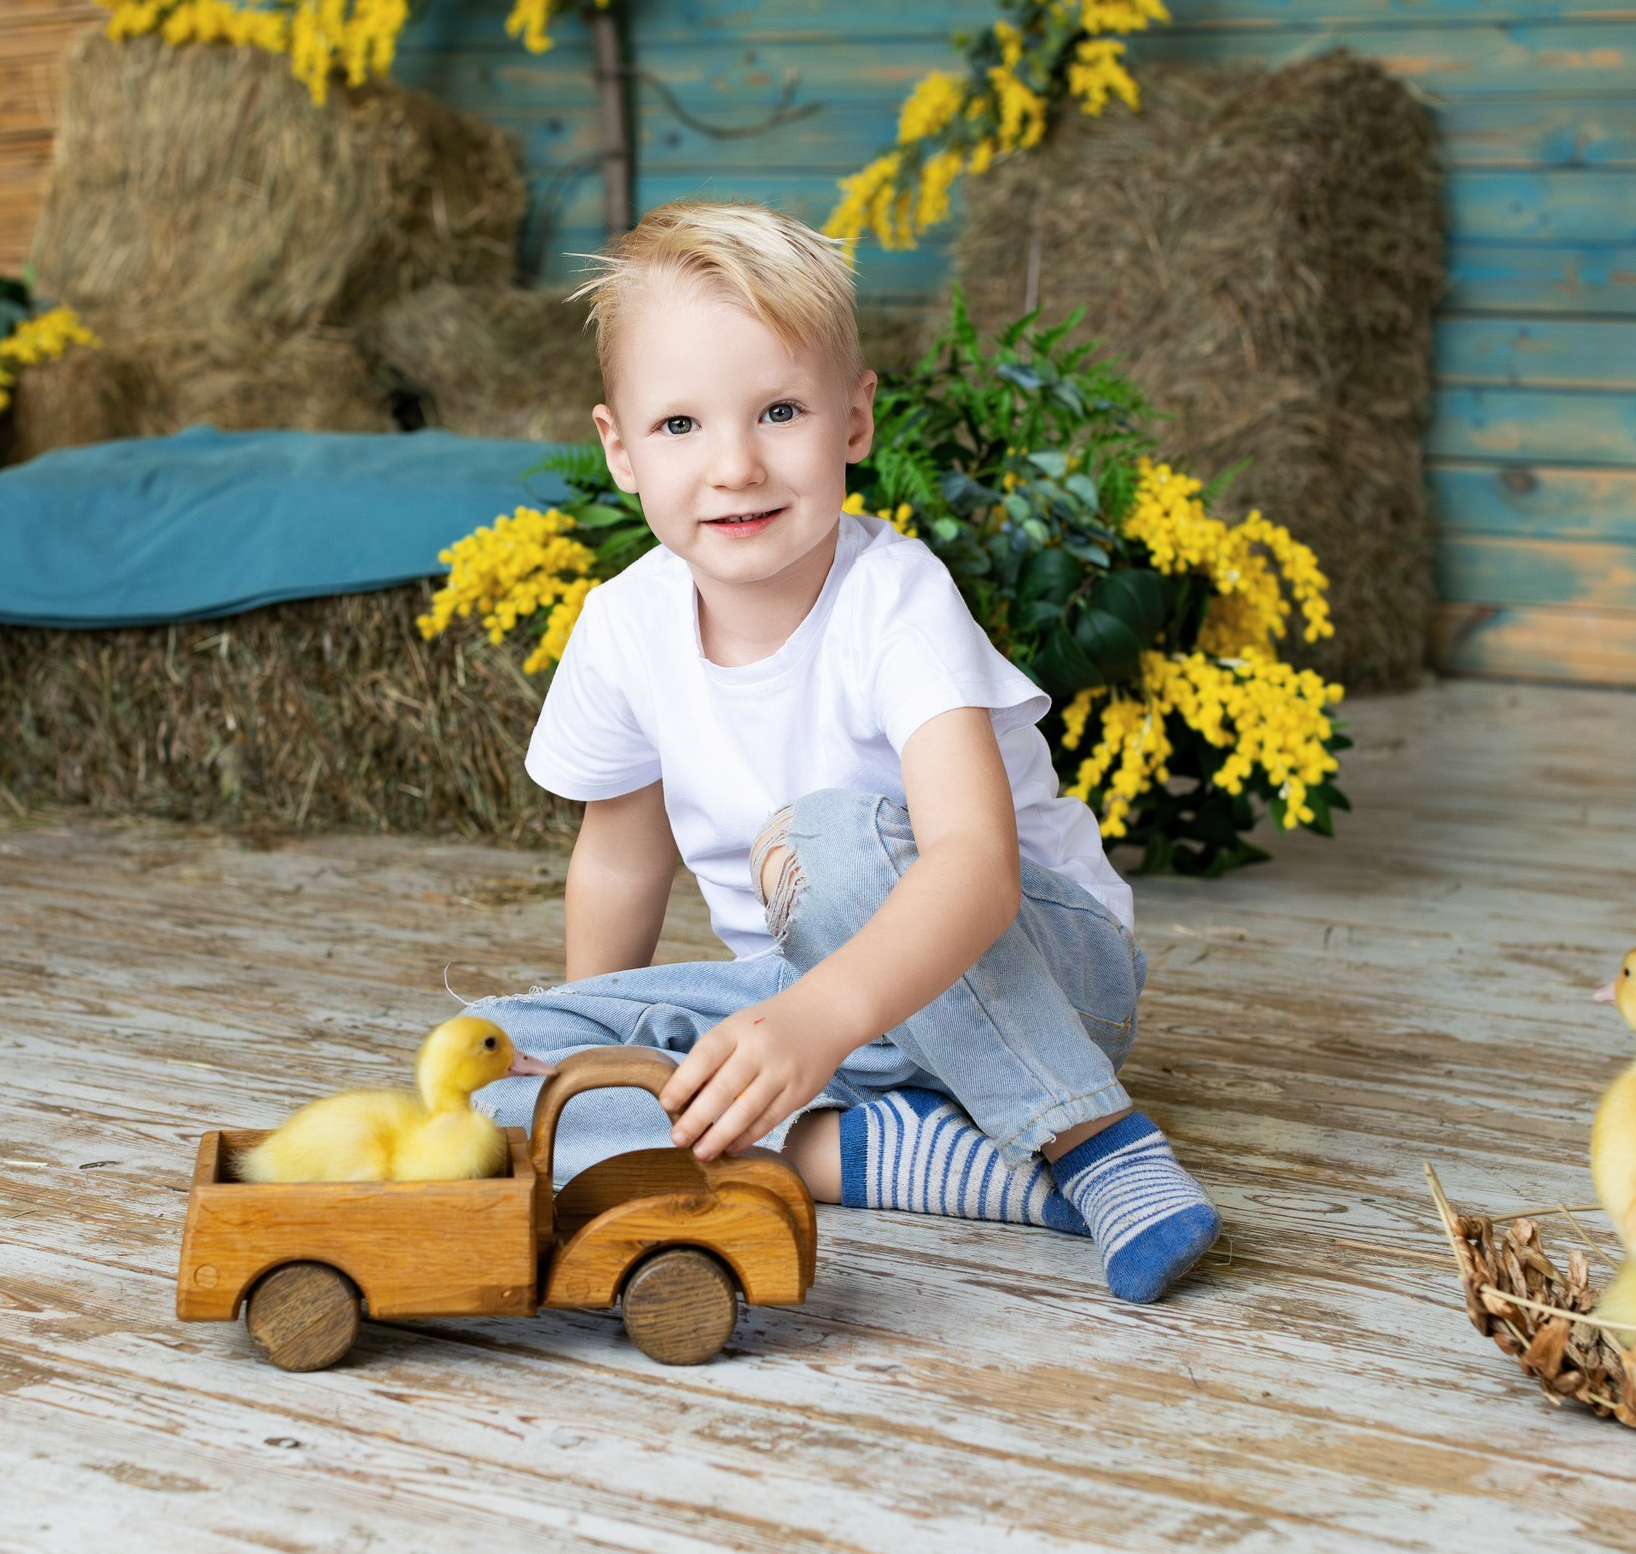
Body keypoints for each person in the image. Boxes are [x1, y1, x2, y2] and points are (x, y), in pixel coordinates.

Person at [470, 202, 1218, 1302]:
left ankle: (1096, 1141)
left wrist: (816, 1019)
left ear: (853, 422)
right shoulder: (626, 625)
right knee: (495, 1066)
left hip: (1037, 977)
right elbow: (621, 863)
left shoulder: (894, 599)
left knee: (815, 841)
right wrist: (609, 1069)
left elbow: (975, 864)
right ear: (619, 451)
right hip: (813, 1013)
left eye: (779, 411)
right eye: (680, 426)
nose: (734, 465)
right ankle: (939, 1161)